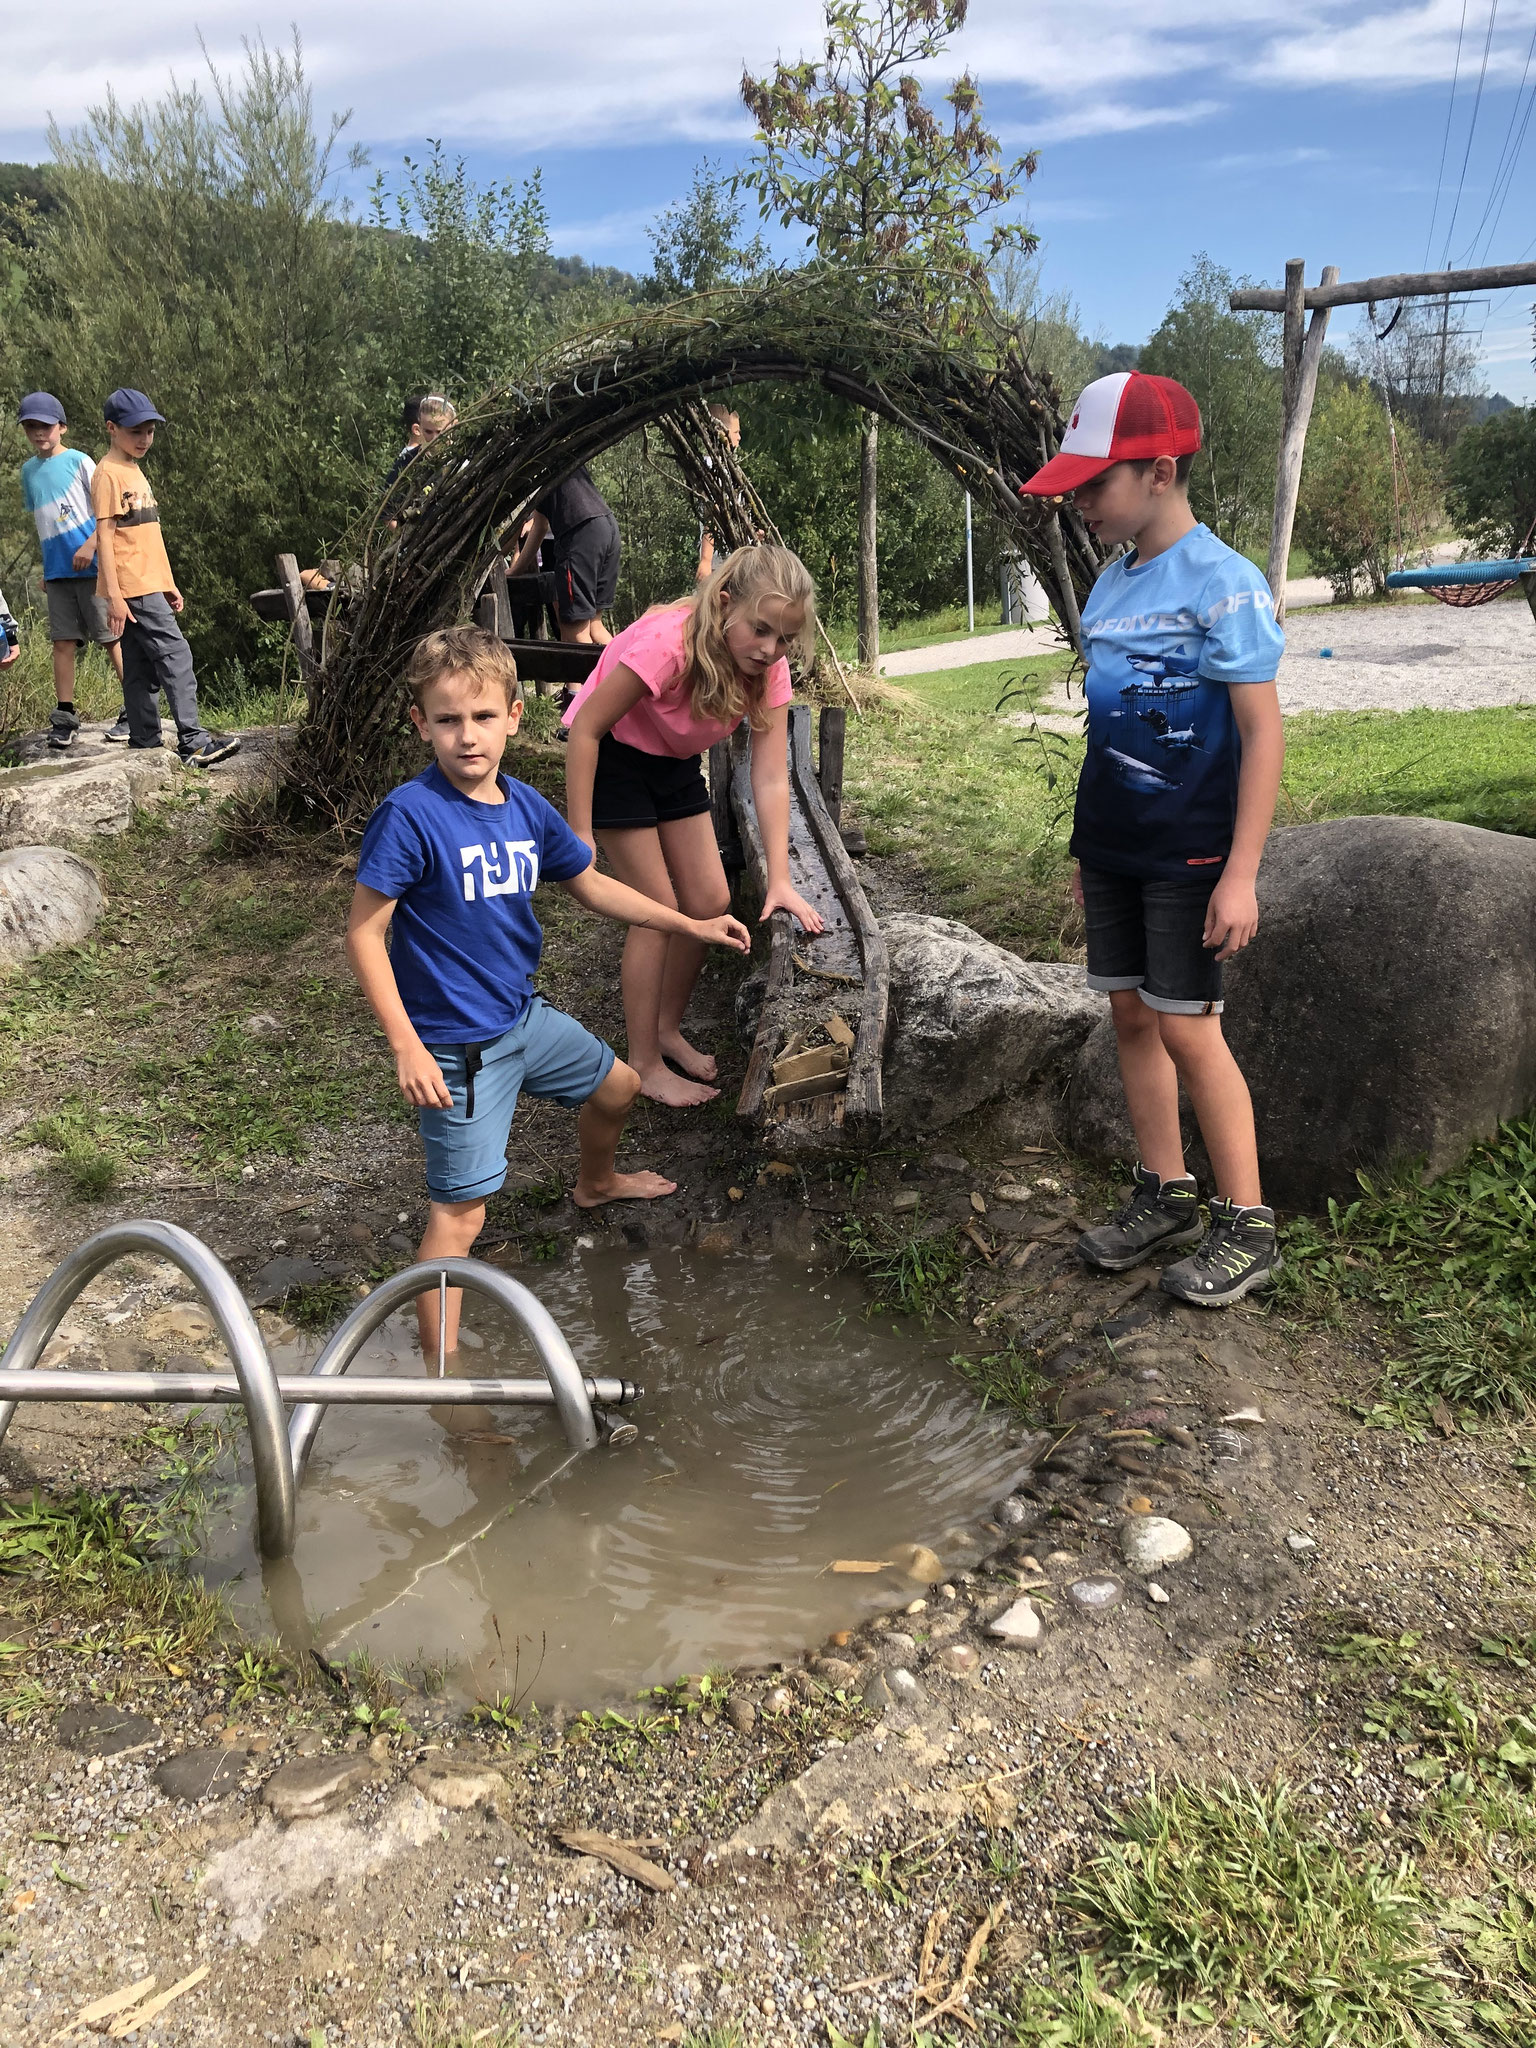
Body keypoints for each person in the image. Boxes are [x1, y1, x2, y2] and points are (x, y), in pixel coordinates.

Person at [347, 625, 751, 1356]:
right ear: (421, 725)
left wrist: (690, 923)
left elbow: (592, 884)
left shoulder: (527, 808)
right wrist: (406, 1046)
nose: (467, 737)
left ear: (513, 717)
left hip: (520, 1019)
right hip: (457, 1049)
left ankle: (595, 1184)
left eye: (481, 718)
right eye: (447, 720)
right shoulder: (410, 816)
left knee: (621, 1086)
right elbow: (364, 935)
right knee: (460, 1219)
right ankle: (444, 1386)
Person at [1020, 370, 1286, 1307]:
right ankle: (1165, 1189)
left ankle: (1248, 1224)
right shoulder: (1112, 582)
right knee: (1130, 1015)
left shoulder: (1226, 584)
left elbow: (1262, 733)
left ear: (1162, 471)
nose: (1081, 502)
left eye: (1096, 484)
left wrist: (1242, 872)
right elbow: (1111, 725)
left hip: (1192, 853)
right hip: (1116, 846)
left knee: (1186, 1025)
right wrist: (1094, 852)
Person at [561, 544, 826, 1109]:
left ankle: (664, 1028)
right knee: (656, 909)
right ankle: (644, 1064)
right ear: (726, 604)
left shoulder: (769, 670)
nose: (769, 649)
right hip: (613, 754)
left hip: (672, 760)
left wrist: (779, 877)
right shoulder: (669, 646)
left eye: (783, 638)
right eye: (759, 629)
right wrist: (577, 835)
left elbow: (772, 777)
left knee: (710, 898)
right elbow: (585, 729)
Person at [91, 388, 239, 767]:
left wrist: (167, 580)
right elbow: (105, 539)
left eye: (150, 431)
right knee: (177, 655)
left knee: (139, 664)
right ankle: (193, 740)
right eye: (135, 431)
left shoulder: (134, 470)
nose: (144, 439)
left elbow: (148, 536)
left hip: (148, 582)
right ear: (112, 428)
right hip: (132, 587)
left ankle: (144, 738)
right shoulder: (108, 473)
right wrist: (114, 596)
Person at [16, 391, 126, 748]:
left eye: (45, 426)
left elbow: (107, 513)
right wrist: (47, 569)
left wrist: (91, 545)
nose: (38, 433)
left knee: (111, 638)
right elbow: (42, 523)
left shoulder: (81, 462)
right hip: (58, 572)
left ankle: (134, 707)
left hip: (94, 568)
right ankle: (65, 715)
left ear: (61, 427)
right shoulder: (29, 472)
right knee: (62, 642)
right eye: (31, 426)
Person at [505, 464, 619, 647]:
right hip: (608, 527)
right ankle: (628, 670)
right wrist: (516, 569)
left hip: (580, 533)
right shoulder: (563, 456)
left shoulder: (539, 468)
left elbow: (539, 527)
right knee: (595, 628)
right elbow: (540, 525)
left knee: (575, 631)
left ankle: (592, 676)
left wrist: (515, 569)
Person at [384, 393, 456, 494]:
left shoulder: (466, 456)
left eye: (440, 432)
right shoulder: (406, 462)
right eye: (428, 431)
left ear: (454, 425)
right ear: (419, 428)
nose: (435, 438)